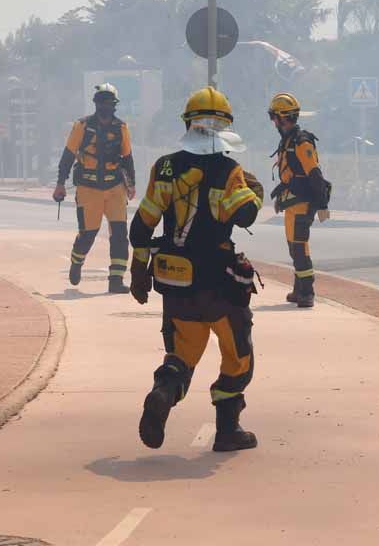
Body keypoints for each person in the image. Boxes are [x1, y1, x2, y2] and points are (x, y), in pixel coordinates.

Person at [128, 87, 264, 452]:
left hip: (176, 282)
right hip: (220, 286)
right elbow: (245, 214)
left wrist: (138, 269)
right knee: (238, 357)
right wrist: (255, 190)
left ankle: (162, 393)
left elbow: (141, 227)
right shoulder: (229, 170)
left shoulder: (165, 167)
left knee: (181, 357)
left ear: (188, 123)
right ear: (225, 127)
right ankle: (227, 431)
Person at [53, 84, 136, 293]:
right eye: (102, 102)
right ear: (96, 104)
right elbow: (68, 156)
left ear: (114, 105)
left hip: (115, 187)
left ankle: (116, 280)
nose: (106, 107)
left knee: (119, 234)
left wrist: (131, 185)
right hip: (88, 188)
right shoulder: (81, 126)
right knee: (88, 233)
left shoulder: (121, 128)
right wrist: (60, 184)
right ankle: (77, 261)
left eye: (109, 103)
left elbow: (127, 158)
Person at [268, 92, 331, 309]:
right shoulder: (288, 141)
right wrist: (279, 194)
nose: (273, 121)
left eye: (273, 116)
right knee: (293, 246)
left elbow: (315, 175)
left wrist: (323, 205)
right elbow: (291, 175)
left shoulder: (302, 142)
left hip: (304, 203)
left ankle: (307, 292)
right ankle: (298, 289)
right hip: (293, 202)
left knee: (300, 247)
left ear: (283, 117)